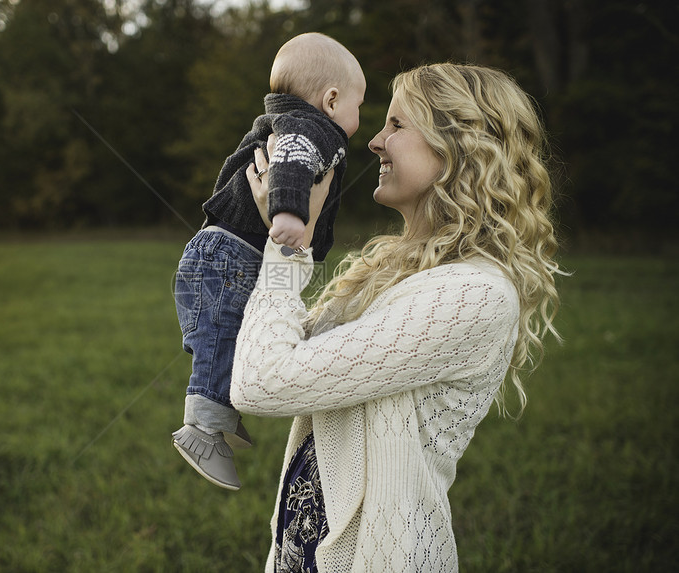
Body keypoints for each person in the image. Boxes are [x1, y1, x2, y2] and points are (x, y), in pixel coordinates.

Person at [232, 63, 562, 572]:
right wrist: (280, 217)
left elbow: (264, 381)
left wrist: (286, 249)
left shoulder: (474, 293)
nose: (375, 141)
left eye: (397, 125)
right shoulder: (391, 269)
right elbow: (271, 343)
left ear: (459, 148)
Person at [172, 32, 367, 491]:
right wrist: (288, 215)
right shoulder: (312, 128)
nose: (361, 119)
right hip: (230, 255)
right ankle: (202, 428)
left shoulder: (285, 119)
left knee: (234, 335)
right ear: (332, 99)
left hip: (220, 253)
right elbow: (292, 162)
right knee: (220, 337)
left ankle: (221, 404)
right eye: (360, 105)